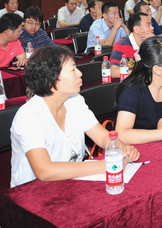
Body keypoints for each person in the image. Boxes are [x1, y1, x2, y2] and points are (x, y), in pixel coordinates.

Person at [10, 45, 139, 187]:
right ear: (51, 78)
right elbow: (44, 171)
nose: (79, 73)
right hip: (33, 190)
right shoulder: (28, 116)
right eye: (72, 70)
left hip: (71, 182)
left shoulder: (75, 101)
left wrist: (123, 148)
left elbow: (102, 137)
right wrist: (103, 165)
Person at [110, 12, 155, 78]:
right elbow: (113, 72)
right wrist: (140, 74)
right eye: (148, 25)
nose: (152, 28)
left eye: (151, 24)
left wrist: (156, 42)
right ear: (136, 29)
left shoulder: (152, 43)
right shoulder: (121, 45)